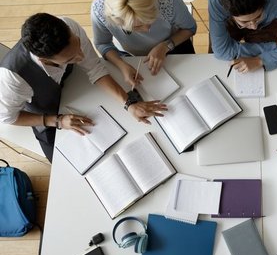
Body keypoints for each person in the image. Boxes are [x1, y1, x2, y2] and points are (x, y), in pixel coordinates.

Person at [0, 13, 167, 162]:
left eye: (78, 44)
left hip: (73, 85)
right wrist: (57, 121)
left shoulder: (68, 25)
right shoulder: (13, 79)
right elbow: (8, 118)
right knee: (67, 163)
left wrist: (129, 103)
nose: (81, 56)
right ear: (44, 60)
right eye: (71, 58)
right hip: (46, 112)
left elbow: (94, 68)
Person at [91, 0, 197, 87]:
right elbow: (102, 43)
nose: (147, 29)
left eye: (151, 20)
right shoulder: (99, 10)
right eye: (136, 27)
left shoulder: (169, 1)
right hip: (127, 55)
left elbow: (190, 28)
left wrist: (166, 46)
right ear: (117, 22)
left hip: (173, 45)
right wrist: (121, 65)